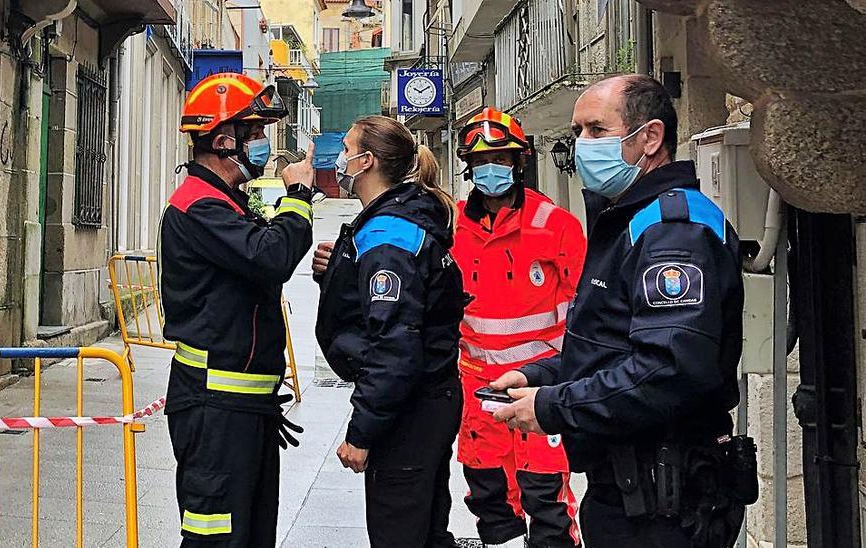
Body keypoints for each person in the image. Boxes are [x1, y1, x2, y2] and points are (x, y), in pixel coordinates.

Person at [490, 75, 757, 547]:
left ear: (650, 137)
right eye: (577, 133)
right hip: (629, 489)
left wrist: (556, 407)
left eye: (596, 130)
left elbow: (668, 369)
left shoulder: (674, 232)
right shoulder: (632, 218)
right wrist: (543, 376)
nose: (582, 146)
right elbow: (615, 342)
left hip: (664, 502)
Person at [160, 72, 316, 547]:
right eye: (255, 133)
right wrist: (299, 198)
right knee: (218, 537)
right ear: (224, 139)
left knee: (249, 533)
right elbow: (271, 258)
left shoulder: (224, 202)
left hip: (243, 407)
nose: (264, 144)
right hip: (215, 410)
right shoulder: (199, 206)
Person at [311, 115, 465, 547]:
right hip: (427, 400)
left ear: (367, 162)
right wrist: (339, 272)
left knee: (398, 531)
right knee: (426, 528)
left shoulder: (388, 237)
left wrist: (361, 432)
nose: (339, 159)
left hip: (410, 410)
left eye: (346, 149)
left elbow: (394, 345)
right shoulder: (394, 220)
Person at [450, 107, 586, 548]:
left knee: (545, 498)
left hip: (539, 388)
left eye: (503, 159)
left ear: (520, 161)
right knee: (489, 498)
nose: (492, 169)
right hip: (478, 390)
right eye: (483, 161)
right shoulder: (452, 225)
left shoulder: (555, 226)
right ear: (469, 168)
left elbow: (585, 313)